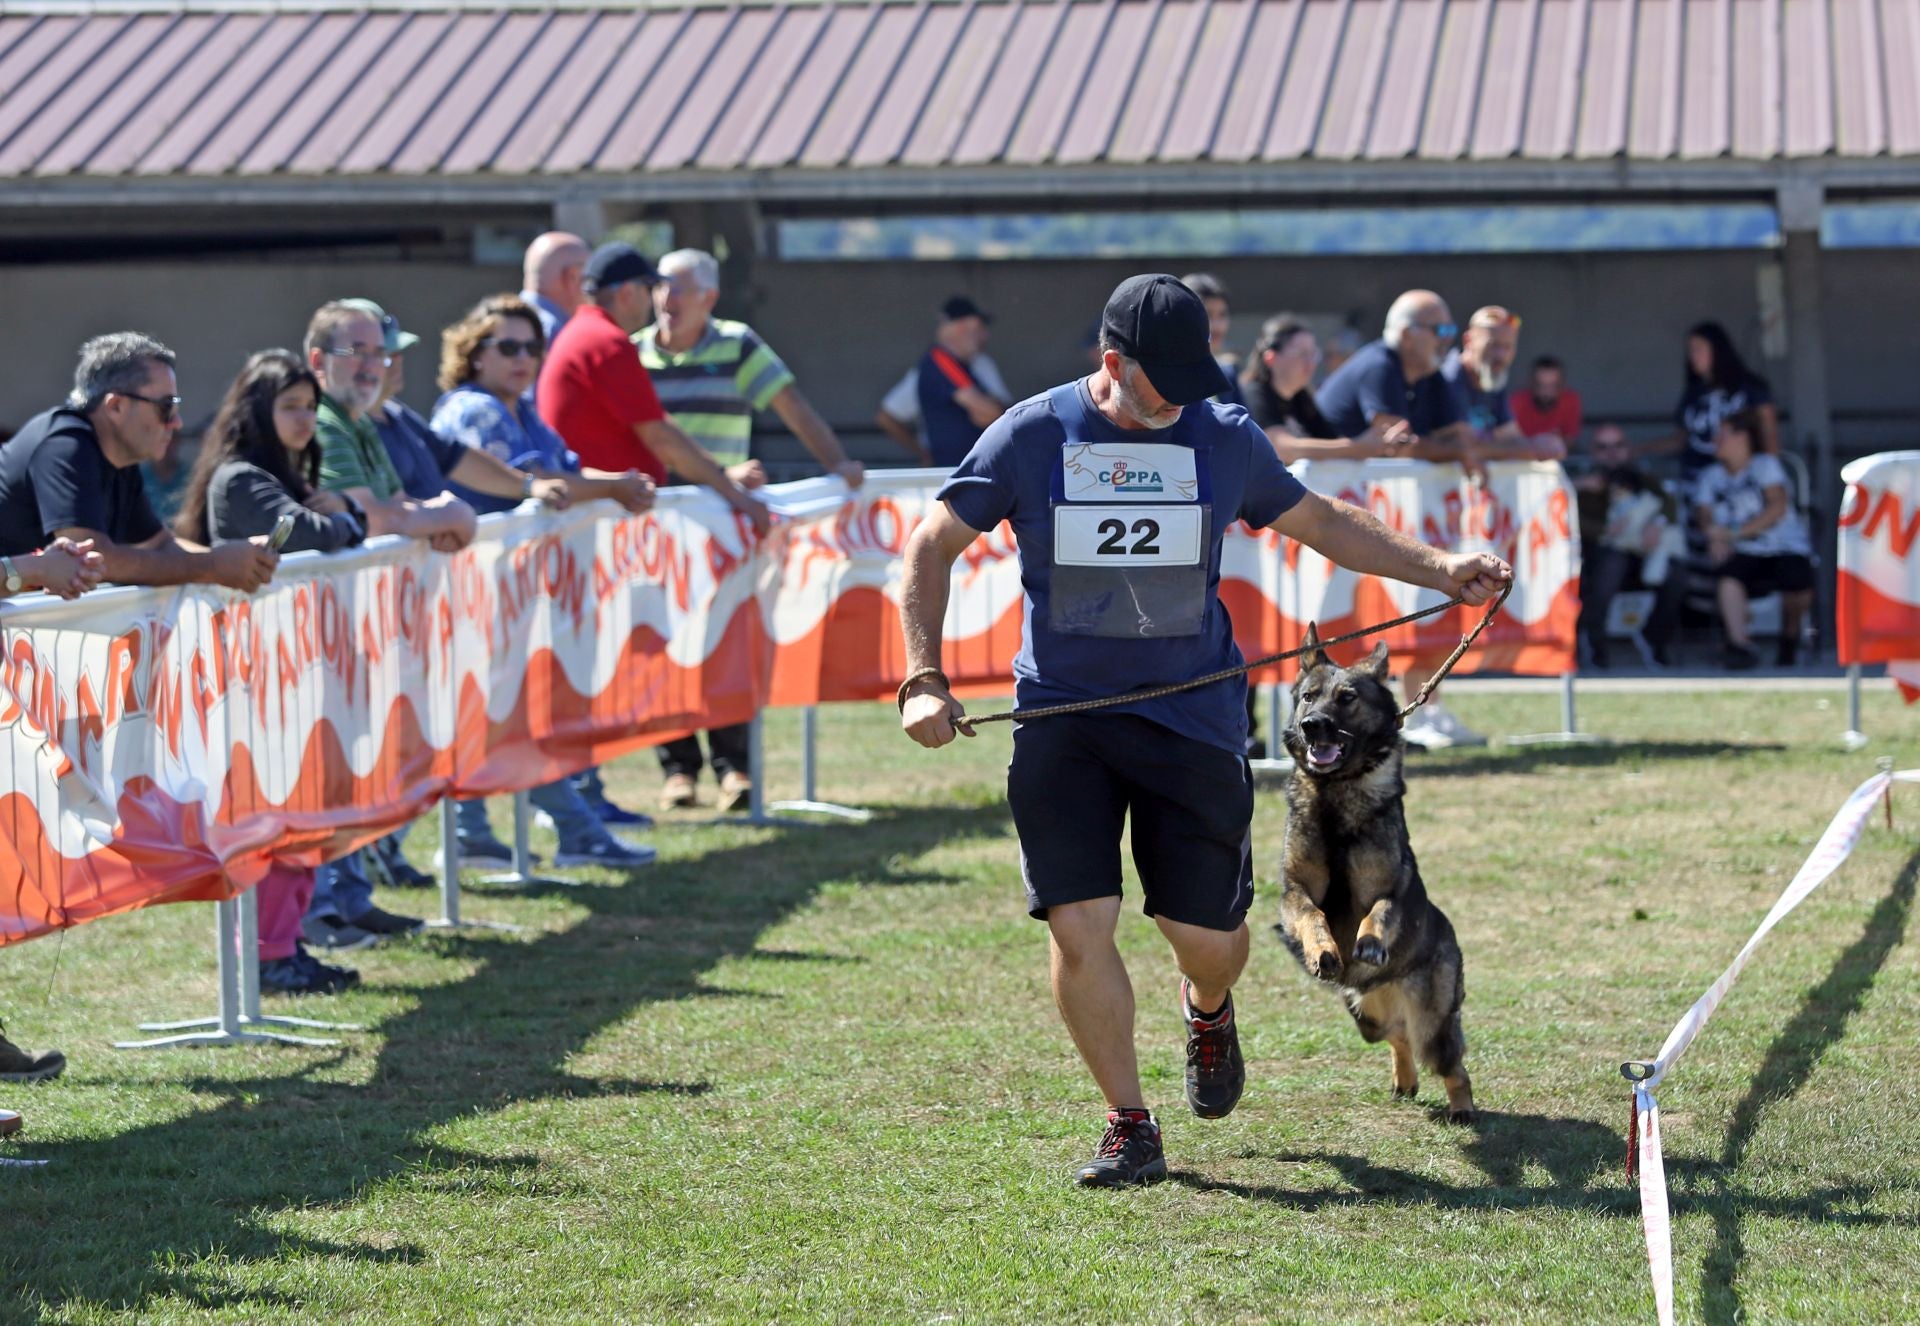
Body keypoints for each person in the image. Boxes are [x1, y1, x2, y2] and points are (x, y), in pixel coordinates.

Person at [898, 274, 1511, 1188]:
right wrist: (923, 679)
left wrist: (1438, 567)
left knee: (1209, 943)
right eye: (1166, 379)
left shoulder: (1221, 434)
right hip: (1064, 718)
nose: (1187, 393)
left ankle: (1209, 1007)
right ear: (1112, 364)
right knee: (1078, 922)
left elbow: (1322, 521)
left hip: (1191, 720)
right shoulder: (1033, 432)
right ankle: (1128, 1123)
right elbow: (929, 546)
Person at [431, 294, 660, 867]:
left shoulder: (522, 409)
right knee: (503, 713)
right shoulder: (474, 410)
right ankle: (560, 830)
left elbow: (564, 473)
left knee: (510, 712)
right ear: (473, 353)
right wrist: (613, 486)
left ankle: (486, 831)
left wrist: (610, 482)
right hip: (470, 592)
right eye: (507, 346)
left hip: (510, 592)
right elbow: (534, 479)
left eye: (533, 347)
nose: (524, 358)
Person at [635, 248, 864, 811]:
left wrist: (839, 465)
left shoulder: (737, 344)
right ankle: (678, 771)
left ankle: (734, 769)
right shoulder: (632, 353)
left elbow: (793, 407)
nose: (668, 298)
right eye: (661, 286)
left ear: (709, 298)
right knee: (664, 642)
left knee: (724, 641)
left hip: (721, 529)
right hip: (653, 531)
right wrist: (718, 477)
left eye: (680, 288)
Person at [174, 350, 374, 993]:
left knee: (303, 819)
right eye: (289, 406)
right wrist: (348, 516)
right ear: (257, 411)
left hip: (292, 672)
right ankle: (268, 957)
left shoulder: (273, 476)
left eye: (310, 408)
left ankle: (284, 948)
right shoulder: (240, 478)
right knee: (276, 822)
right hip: (259, 679)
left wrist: (333, 513)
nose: (304, 420)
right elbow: (314, 532)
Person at [302, 300, 489, 948]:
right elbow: (371, 517)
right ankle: (320, 912)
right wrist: (440, 513)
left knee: (354, 762)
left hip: (365, 626)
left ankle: (348, 898)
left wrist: (425, 513)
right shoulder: (324, 423)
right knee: (323, 768)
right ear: (317, 361)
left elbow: (392, 507)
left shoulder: (360, 422)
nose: (371, 365)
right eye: (355, 352)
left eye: (378, 352)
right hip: (322, 630)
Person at [1315, 294, 1486, 750]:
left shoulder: (1431, 373)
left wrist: (1454, 447)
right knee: (1343, 625)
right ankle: (1340, 723)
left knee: (1421, 607)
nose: (1447, 341)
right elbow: (1398, 445)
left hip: (1385, 518)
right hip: (1336, 522)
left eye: (1451, 332)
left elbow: (1457, 435)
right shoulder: (1378, 365)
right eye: (1441, 330)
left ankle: (1425, 709)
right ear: (1408, 333)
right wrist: (1454, 452)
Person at [0, 333, 280, 592]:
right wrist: (214, 565)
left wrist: (238, 559)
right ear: (116, 407)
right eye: (166, 407)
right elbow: (94, 558)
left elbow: (160, 545)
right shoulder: (65, 444)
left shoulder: (117, 457)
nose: (177, 422)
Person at [537, 243, 770, 537]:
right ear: (628, 294)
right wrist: (737, 496)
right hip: (595, 525)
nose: (654, 303)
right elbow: (660, 438)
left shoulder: (584, 334)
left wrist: (721, 476)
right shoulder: (606, 342)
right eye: (650, 290)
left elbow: (657, 424)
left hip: (593, 515)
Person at [1694, 409, 1814, 670]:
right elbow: (1704, 516)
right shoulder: (1711, 476)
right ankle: (1741, 646)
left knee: (1798, 584)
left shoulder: (1765, 466)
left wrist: (1733, 533)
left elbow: (1777, 507)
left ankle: (1789, 638)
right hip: (1744, 551)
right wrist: (1714, 537)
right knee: (1729, 579)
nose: (1716, 440)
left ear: (1742, 437)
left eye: (1723, 434)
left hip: (1784, 546)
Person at [1574, 424, 1683, 668]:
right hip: (1598, 561)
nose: (1611, 452)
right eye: (1604, 447)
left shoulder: (1644, 479)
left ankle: (1654, 639)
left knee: (1675, 571)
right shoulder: (1583, 485)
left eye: (1618, 445)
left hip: (1644, 558)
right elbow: (1568, 518)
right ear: (1593, 452)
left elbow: (1669, 504)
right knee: (1612, 561)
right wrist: (1603, 529)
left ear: (1628, 449)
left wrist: (1658, 523)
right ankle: (1594, 645)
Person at [1240, 315, 1412, 462]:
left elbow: (1329, 440)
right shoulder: (1254, 393)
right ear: (1271, 358)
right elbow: (1281, 448)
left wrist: (1382, 441)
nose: (1311, 363)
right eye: (1301, 354)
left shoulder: (1301, 398)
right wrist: (1356, 447)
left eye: (1313, 354)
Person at [1646, 321, 1779, 494]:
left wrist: (1769, 481)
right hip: (1697, 480)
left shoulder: (1751, 387)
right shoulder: (1693, 393)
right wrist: (1637, 450)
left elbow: (1770, 437)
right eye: (1690, 350)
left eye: (1698, 349)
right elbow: (1680, 440)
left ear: (1717, 349)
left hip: (1743, 484)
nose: (1693, 356)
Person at [1437, 307, 1567, 461]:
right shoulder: (1447, 379)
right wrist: (1530, 448)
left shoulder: (1491, 378)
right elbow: (1464, 447)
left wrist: (1543, 445)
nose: (1500, 356)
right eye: (1493, 345)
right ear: (1468, 341)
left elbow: (1510, 437)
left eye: (1508, 347)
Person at [910, 296, 1006, 468]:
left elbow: (994, 414)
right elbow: (991, 413)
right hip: (956, 476)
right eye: (979, 328)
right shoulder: (941, 360)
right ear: (961, 327)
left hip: (971, 473)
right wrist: (989, 408)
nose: (985, 335)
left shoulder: (963, 365)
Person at [876, 347, 1013, 466]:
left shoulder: (981, 362)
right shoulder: (936, 361)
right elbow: (886, 418)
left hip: (985, 467)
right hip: (944, 470)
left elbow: (999, 416)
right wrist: (923, 454)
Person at [1179, 273, 1246, 410]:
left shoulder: (1228, 374)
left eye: (1222, 314)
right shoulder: (1167, 377)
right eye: (1207, 314)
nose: (1217, 326)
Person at [519, 231, 591, 342]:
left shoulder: (501, 319)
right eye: (587, 277)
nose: (590, 287)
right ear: (572, 277)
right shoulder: (556, 332)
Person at [1510, 355, 1583, 445]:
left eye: (1553, 386)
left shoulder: (1571, 401)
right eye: (1541, 386)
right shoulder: (1516, 402)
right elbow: (1509, 442)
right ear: (1531, 384)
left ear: (1563, 385)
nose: (1546, 393)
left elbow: (1570, 440)